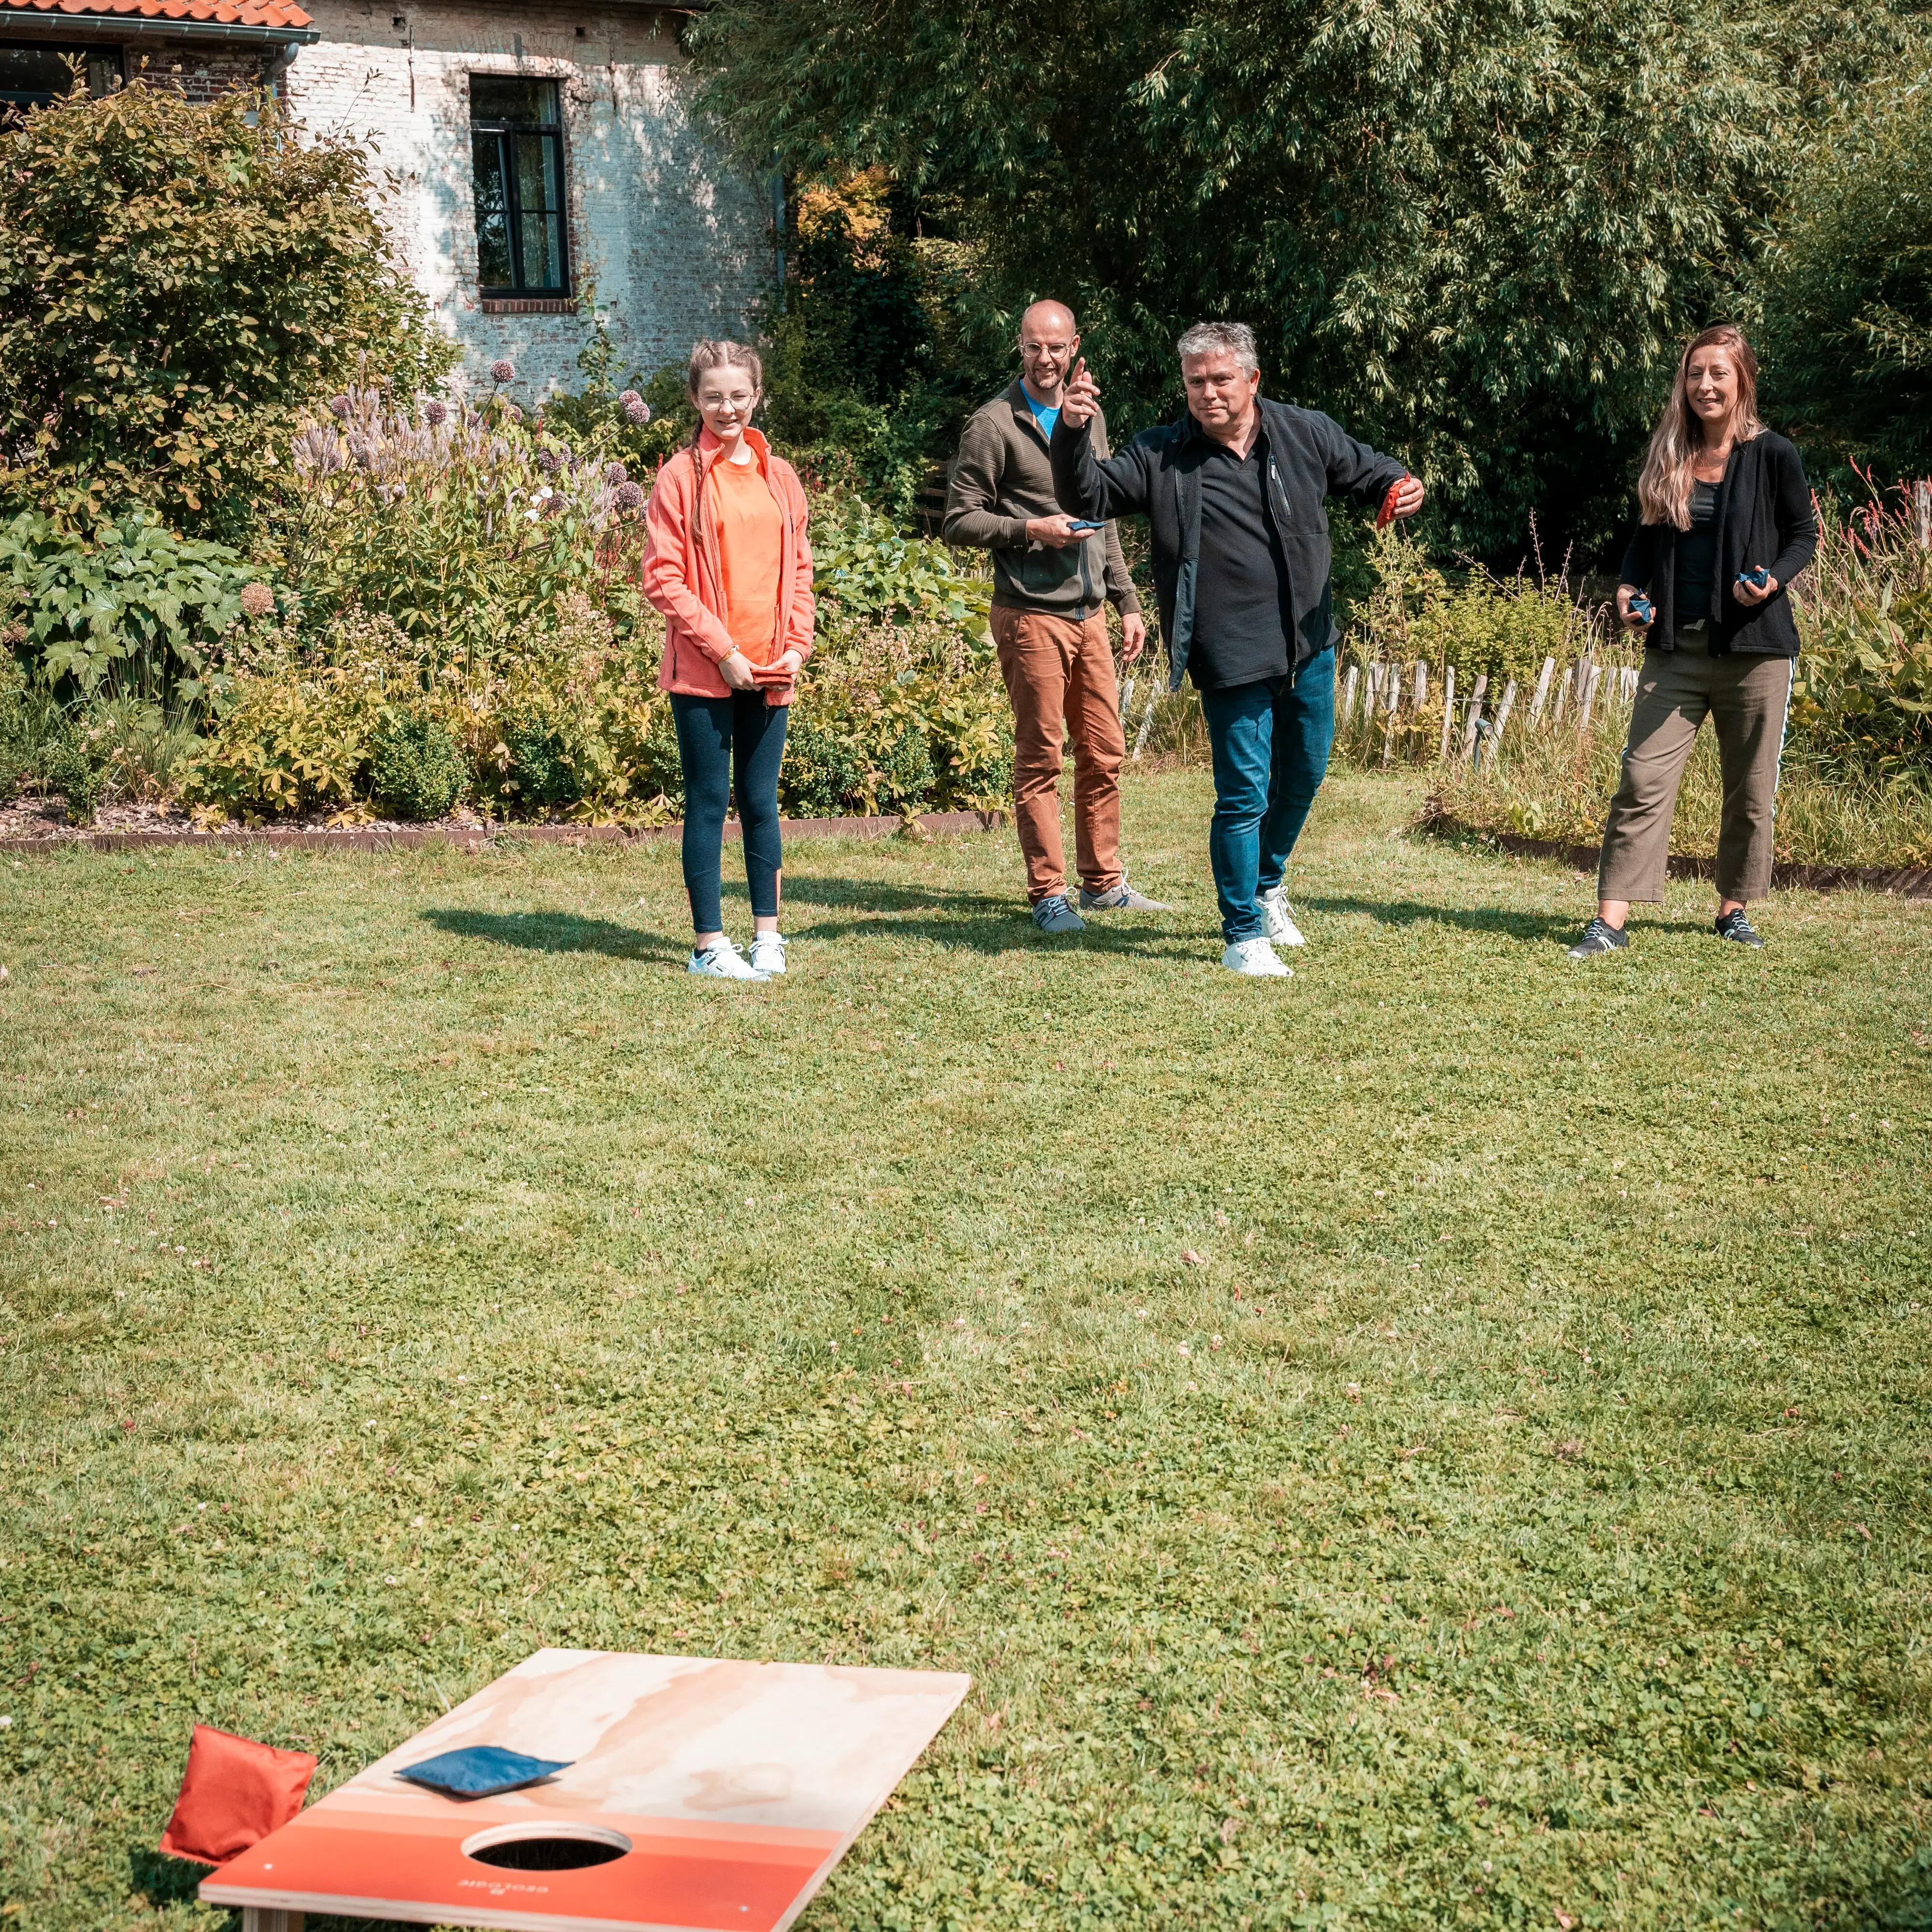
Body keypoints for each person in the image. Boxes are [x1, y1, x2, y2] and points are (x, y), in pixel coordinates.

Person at [1051, 322, 1423, 974]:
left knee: (1304, 775)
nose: (1208, 393)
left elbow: (1368, 469)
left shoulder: (1303, 432)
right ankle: (1242, 934)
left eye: (1221, 379)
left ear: (1252, 379)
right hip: (1228, 651)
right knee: (1244, 793)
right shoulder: (1162, 455)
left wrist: (1400, 483)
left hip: (1308, 640)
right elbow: (1088, 495)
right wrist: (1072, 432)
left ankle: (1267, 883)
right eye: (1196, 382)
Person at [1568, 324, 1818, 960]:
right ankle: (1610, 920)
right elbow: (1645, 542)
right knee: (1641, 779)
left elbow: (1804, 535)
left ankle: (1733, 909)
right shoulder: (1669, 453)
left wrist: (1774, 582)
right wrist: (1629, 590)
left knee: (1750, 791)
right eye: (1695, 373)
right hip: (1675, 650)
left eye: (1719, 373)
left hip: (1756, 651)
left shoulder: (1773, 455)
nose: (1705, 385)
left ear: (1743, 381)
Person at [942, 299, 1168, 935]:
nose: (1047, 359)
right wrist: (1029, 529)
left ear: (1075, 349)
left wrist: (1125, 598)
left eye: (1058, 348)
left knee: (1103, 752)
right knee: (1041, 757)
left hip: (1090, 613)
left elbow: (1106, 513)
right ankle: (1049, 894)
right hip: (1030, 613)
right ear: (1020, 346)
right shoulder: (993, 424)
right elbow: (959, 521)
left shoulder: (1085, 416)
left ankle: (1104, 884)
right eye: (1035, 347)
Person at [642, 339, 815, 981]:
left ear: (757, 396)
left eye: (738, 395)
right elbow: (663, 577)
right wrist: (724, 652)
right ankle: (709, 946)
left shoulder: (781, 475)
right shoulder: (679, 478)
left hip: (772, 669)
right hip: (706, 673)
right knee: (711, 803)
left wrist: (797, 645)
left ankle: (767, 938)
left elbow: (800, 568)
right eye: (713, 396)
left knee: (762, 801)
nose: (726, 407)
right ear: (695, 399)